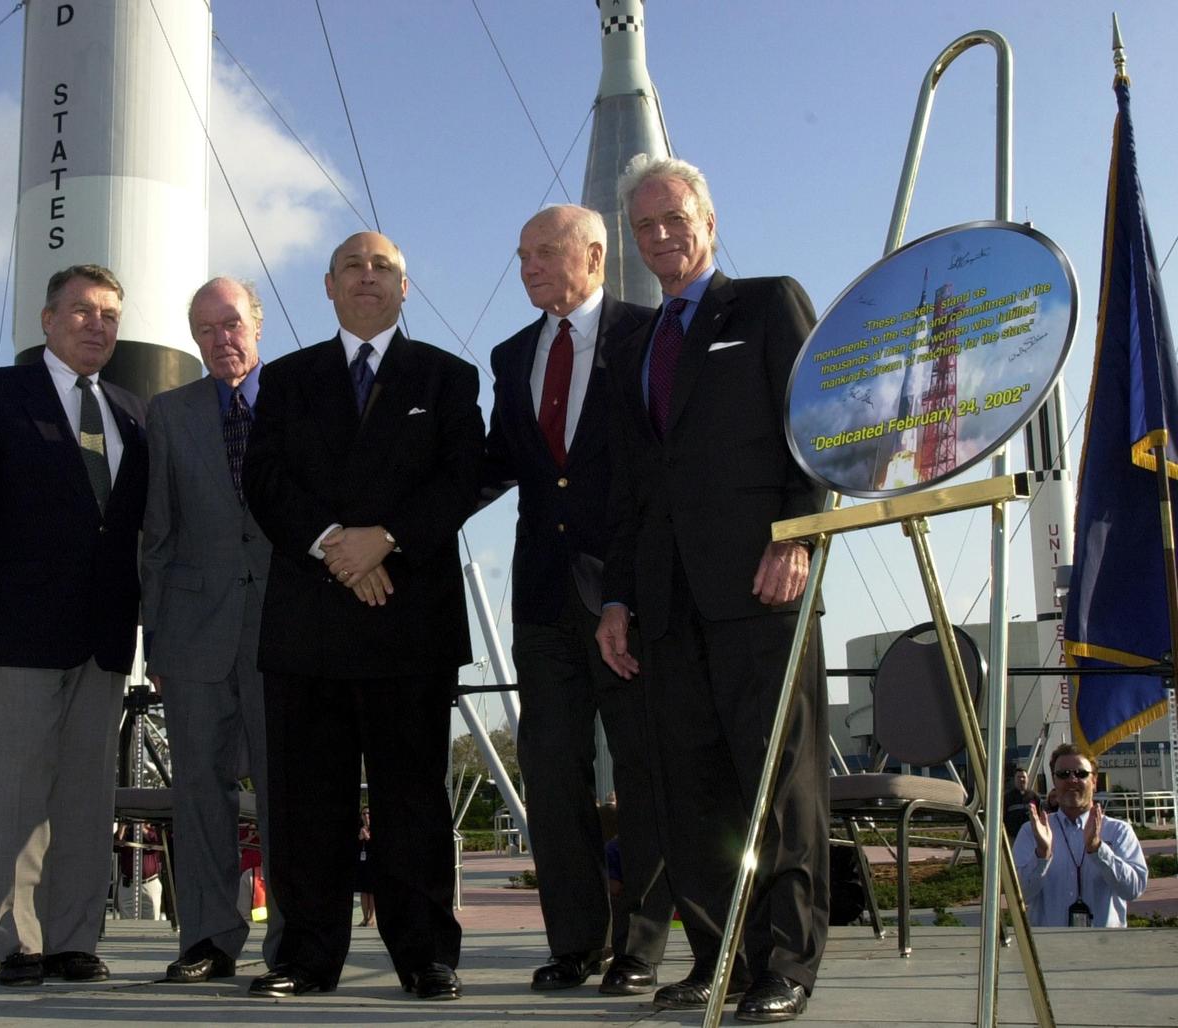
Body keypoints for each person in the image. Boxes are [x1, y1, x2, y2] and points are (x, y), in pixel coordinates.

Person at [595, 155, 828, 1022]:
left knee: (779, 781)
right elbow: (629, 484)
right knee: (689, 788)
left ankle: (788, 966)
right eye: (644, 227)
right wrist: (617, 598)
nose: (659, 237)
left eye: (673, 220)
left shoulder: (766, 305)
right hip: (664, 600)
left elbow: (818, 429)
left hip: (762, 583)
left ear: (709, 221)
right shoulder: (635, 343)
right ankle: (718, 954)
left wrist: (801, 531)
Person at [243, 231, 484, 1001]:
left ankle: (426, 956)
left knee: (412, 799)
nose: (368, 277)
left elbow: (461, 479)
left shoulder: (447, 377)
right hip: (309, 624)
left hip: (408, 621)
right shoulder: (283, 379)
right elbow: (265, 479)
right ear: (327, 285)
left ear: (405, 289)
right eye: (354, 265)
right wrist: (332, 546)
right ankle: (306, 958)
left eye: (383, 268)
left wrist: (386, 541)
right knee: (310, 805)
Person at [0, 264, 148, 987]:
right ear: (47, 319)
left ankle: (74, 940)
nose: (97, 326)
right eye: (83, 312)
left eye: (110, 316)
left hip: (104, 638)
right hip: (17, 634)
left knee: (87, 800)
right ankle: (19, 945)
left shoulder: (130, 411)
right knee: (20, 794)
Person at [479, 204, 671, 995]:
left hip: (627, 593)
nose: (526, 266)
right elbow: (494, 464)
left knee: (642, 769)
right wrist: (391, 527)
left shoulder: (650, 336)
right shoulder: (510, 354)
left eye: (544, 252)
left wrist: (626, 588)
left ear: (594, 255)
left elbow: (657, 471)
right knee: (551, 769)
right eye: (521, 253)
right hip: (542, 601)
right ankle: (574, 944)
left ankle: (643, 948)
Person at [141, 275, 283, 983]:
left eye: (231, 324)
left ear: (257, 323)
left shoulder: (298, 397)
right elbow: (156, 536)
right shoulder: (169, 414)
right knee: (201, 791)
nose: (221, 339)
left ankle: (293, 944)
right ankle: (208, 939)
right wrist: (155, 641)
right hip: (193, 636)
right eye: (205, 329)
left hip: (285, 629)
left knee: (288, 788)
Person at [1014, 742, 1147, 927]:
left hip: (1104, 947)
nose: (1072, 780)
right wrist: (1042, 855)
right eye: (1063, 774)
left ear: (1094, 781)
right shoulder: (1032, 832)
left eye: (1081, 774)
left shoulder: (1118, 831)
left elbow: (1133, 890)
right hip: (1049, 949)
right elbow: (1019, 895)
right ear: (1054, 780)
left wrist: (1099, 850)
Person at [114, 822, 164, 920]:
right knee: (126, 921)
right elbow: (116, 845)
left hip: (150, 883)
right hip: (128, 884)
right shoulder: (127, 832)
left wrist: (141, 827)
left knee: (152, 920)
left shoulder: (154, 830)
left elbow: (155, 842)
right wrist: (124, 825)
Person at [1003, 766, 1037, 841]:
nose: (1021, 779)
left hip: (1031, 837)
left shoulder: (1034, 796)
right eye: (1018, 777)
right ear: (1014, 780)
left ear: (1027, 779)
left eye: (1023, 777)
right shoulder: (1007, 797)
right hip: (1013, 837)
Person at [356, 806, 375, 927]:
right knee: (363, 892)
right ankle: (365, 918)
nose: (366, 815)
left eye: (368, 813)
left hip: (373, 863)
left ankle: (372, 918)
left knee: (372, 892)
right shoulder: (359, 829)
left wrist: (367, 838)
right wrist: (359, 837)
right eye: (364, 814)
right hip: (362, 864)